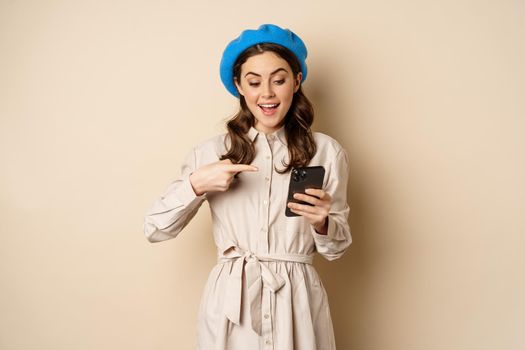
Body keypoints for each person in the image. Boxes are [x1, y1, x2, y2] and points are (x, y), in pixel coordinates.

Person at [143, 23, 352, 350]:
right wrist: (196, 185)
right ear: (239, 85)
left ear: (296, 82)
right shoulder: (211, 153)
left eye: (279, 80)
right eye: (254, 82)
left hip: (296, 301)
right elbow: (155, 228)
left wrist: (323, 221)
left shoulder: (325, 152)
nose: (266, 94)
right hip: (231, 304)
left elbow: (336, 250)